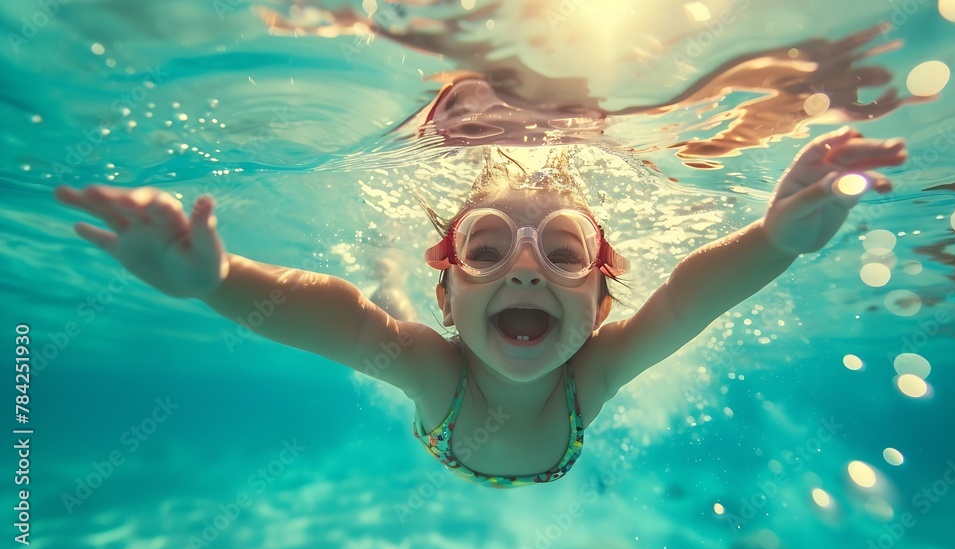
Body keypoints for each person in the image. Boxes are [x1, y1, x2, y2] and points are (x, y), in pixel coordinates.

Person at [54, 126, 906, 488]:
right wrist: (216, 277)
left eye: (565, 254)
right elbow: (339, 320)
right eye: (486, 251)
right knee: (384, 320)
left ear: (603, 305)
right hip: (452, 419)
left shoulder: (596, 370)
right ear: (451, 298)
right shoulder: (438, 371)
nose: (527, 272)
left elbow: (686, 300)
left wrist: (780, 237)